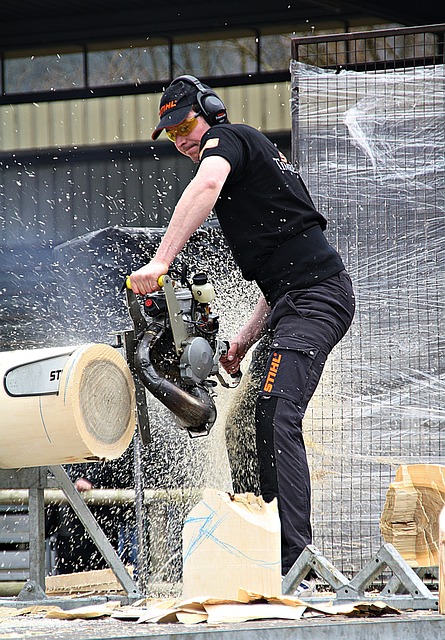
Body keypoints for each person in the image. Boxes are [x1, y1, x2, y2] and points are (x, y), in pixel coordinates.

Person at [129, 75, 355, 577]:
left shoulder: (230, 140)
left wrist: (160, 263)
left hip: (317, 299)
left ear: (211, 112)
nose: (182, 139)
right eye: (171, 134)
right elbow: (277, 282)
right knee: (242, 422)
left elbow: (204, 185)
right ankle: (256, 543)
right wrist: (241, 342)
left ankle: (295, 564)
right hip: (291, 301)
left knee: (276, 412)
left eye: (186, 124)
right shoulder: (249, 172)